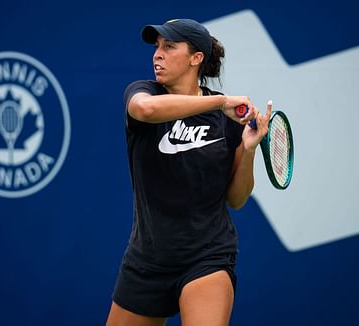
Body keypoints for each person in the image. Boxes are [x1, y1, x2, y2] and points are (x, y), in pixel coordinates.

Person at [106, 18, 271, 326]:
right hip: (147, 261)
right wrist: (219, 102)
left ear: (197, 58)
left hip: (207, 256)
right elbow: (146, 110)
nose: (158, 54)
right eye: (157, 47)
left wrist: (248, 150)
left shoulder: (226, 122)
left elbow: (236, 199)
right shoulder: (142, 93)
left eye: (169, 47)